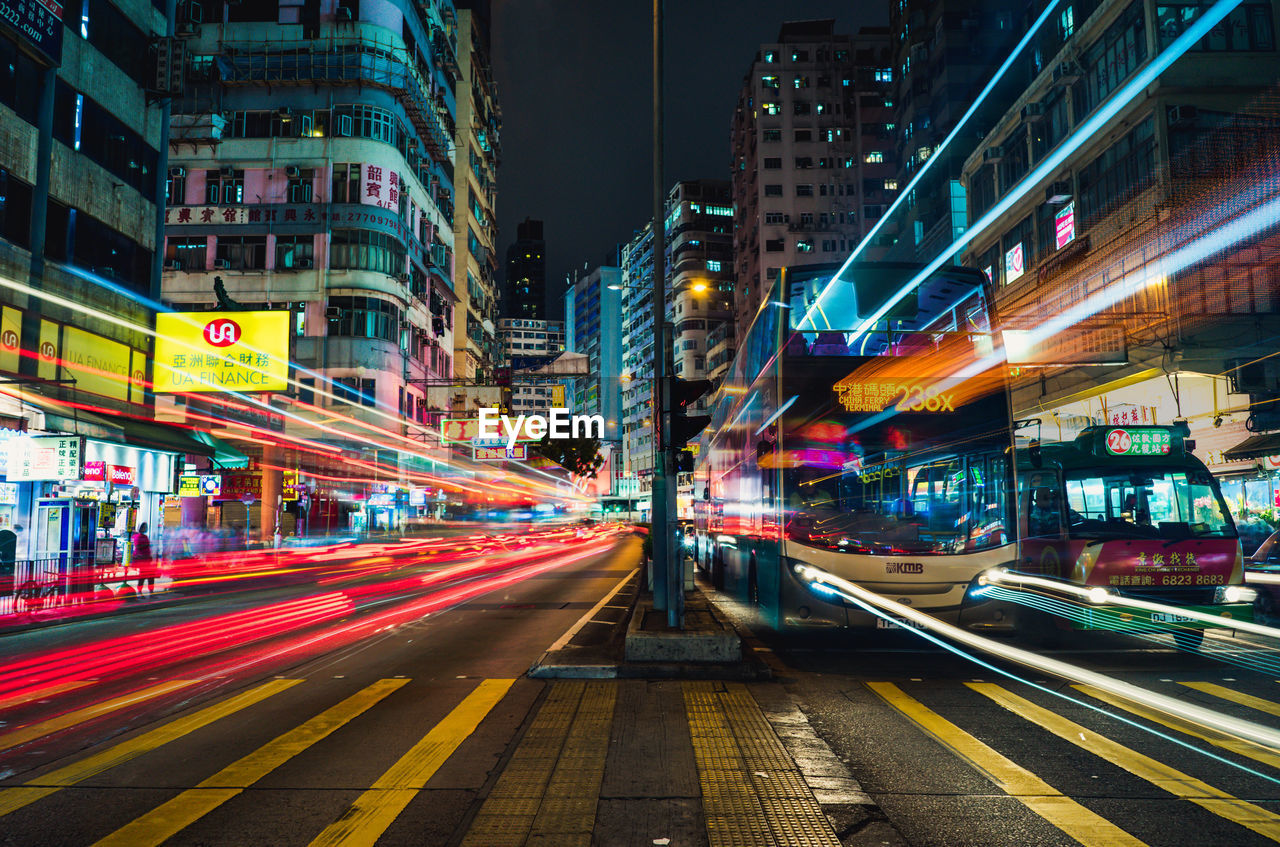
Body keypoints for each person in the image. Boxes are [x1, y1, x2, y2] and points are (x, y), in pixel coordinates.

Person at [133, 522, 157, 595]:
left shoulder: (145, 536)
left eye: (145, 527)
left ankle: (151, 591)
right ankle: (140, 591)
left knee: (150, 576)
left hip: (147, 559)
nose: (145, 529)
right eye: (143, 527)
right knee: (143, 576)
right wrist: (146, 545)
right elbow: (138, 546)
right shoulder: (137, 537)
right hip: (141, 559)